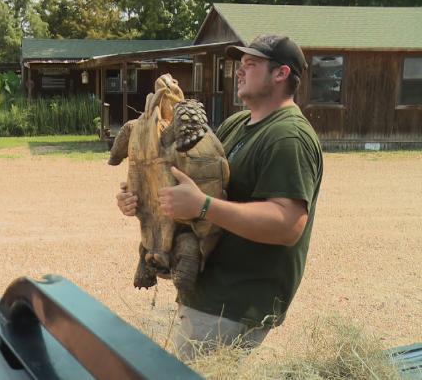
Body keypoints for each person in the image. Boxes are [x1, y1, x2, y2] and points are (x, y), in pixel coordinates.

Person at [116, 34, 324, 361]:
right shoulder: (239, 123)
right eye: (240, 65)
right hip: (209, 290)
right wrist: (142, 196)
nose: (239, 72)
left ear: (281, 74)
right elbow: (186, 173)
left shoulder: (289, 137)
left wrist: (203, 206)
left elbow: (288, 224)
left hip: (234, 302)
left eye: (251, 65)